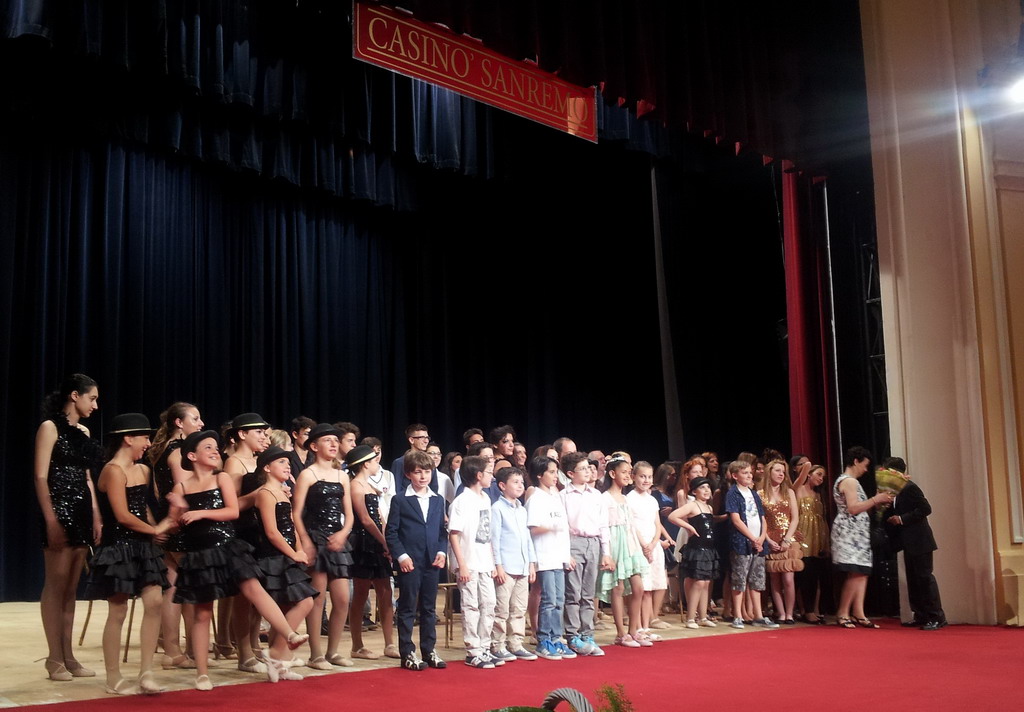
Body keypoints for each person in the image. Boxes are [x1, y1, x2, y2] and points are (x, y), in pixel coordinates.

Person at [170, 430, 309, 690]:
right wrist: (176, 508)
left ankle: (288, 634)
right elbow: (176, 522)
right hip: (201, 554)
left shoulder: (221, 477)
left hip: (228, 547)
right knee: (202, 613)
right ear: (192, 456)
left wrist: (200, 513)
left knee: (253, 589)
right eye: (208, 447)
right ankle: (202, 673)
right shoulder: (182, 487)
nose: (215, 451)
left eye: (216, 447)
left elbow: (232, 511)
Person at [86, 413, 171, 695]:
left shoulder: (144, 471)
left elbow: (143, 507)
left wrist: (155, 531)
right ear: (128, 438)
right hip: (118, 547)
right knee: (118, 610)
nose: (148, 443)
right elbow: (122, 516)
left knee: (155, 603)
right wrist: (154, 529)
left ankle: (146, 672)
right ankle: (113, 677)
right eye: (145, 437)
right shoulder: (112, 471)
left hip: (143, 546)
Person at [35, 373, 104, 682]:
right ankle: (54, 658)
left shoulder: (83, 431)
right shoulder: (49, 427)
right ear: (75, 396)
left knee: (72, 588)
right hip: (58, 510)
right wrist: (51, 519)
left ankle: (69, 655)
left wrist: (96, 514)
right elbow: (40, 476)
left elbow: (88, 478)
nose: (95, 405)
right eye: (92, 398)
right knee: (56, 584)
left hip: (81, 511)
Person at [292, 423, 355, 669]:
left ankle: (333, 651)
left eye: (336, 440)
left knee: (342, 599)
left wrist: (343, 533)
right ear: (314, 446)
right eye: (327, 440)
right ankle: (315, 654)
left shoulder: (342, 476)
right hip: (315, 537)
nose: (333, 444)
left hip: (337, 539)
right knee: (317, 599)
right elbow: (296, 513)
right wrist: (306, 541)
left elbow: (349, 514)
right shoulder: (307, 474)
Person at [252, 446, 317, 680]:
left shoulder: (282, 492)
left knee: (287, 608)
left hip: (287, 556)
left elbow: (291, 527)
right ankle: (275, 654)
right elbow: (272, 532)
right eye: (281, 462)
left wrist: (299, 549)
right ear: (267, 468)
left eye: (288, 462)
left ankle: (278, 663)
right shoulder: (265, 493)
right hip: (272, 557)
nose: (287, 466)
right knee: (306, 602)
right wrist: (292, 553)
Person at [148, 401, 204, 669]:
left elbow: (158, 492)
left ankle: (173, 650)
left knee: (173, 585)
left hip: (169, 521)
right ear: (179, 423)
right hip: (181, 523)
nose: (201, 423)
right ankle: (190, 650)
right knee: (190, 587)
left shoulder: (163, 449)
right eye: (195, 418)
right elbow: (185, 492)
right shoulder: (178, 450)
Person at [384, 449, 448, 671]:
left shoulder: (437, 500)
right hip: (410, 562)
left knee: (429, 608)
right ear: (408, 474)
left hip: (432, 562)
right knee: (408, 607)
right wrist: (401, 556)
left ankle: (429, 649)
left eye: (427, 472)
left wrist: (442, 552)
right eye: (418, 472)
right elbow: (392, 532)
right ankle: (407, 652)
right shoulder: (400, 499)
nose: (423, 476)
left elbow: (442, 532)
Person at [222, 412, 272, 672]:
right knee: (244, 597)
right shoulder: (233, 463)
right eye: (259, 432)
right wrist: (262, 493)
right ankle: (244, 653)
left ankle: (255, 645)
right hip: (243, 533)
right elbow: (233, 504)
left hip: (261, 531)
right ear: (242, 434)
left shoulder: (258, 460)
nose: (264, 436)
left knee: (259, 595)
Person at [882, 457, 946, 630]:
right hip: (908, 542)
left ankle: (936, 616)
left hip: (920, 540)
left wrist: (902, 519)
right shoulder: (894, 490)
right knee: (913, 580)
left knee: (924, 579)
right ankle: (921, 615)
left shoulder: (910, 487)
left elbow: (926, 509)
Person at [832, 446, 892, 628]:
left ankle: (859, 612)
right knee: (856, 572)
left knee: (862, 572)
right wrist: (875, 500)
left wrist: (876, 502)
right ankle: (843, 612)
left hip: (858, 534)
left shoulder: (851, 482)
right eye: (864, 465)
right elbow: (852, 508)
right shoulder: (849, 481)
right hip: (850, 534)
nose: (866, 470)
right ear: (856, 461)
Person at [347, 445, 398, 660]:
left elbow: (379, 517)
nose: (378, 464)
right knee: (360, 594)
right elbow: (365, 519)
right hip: (363, 543)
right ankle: (357, 645)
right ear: (365, 464)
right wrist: (383, 541)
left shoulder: (368, 484)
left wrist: (388, 540)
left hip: (377, 542)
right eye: (375, 460)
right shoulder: (355, 486)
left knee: (385, 592)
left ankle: (390, 643)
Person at [448, 455, 500, 669]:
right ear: (479, 475)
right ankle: (473, 650)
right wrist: (461, 564)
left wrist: (493, 562)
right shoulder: (462, 501)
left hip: (484, 561)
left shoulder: (485, 498)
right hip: (468, 562)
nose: (492, 477)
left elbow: (487, 534)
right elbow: (454, 534)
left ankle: (485, 647)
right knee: (471, 606)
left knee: (489, 604)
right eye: (489, 473)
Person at [560, 451, 611, 657]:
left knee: (588, 594)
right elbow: (562, 526)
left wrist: (606, 552)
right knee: (573, 592)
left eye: (589, 468)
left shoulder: (596, 495)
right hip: (574, 542)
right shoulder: (563, 495)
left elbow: (603, 524)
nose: (588, 471)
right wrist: (566, 552)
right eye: (582, 469)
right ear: (571, 473)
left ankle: (587, 633)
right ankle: (572, 635)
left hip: (594, 542)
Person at [597, 457, 650, 648]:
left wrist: (643, 546)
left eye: (629, 472)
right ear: (613, 474)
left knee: (638, 588)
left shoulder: (625, 498)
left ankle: (634, 630)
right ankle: (621, 633)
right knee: (618, 588)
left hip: (630, 544)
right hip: (615, 545)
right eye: (624, 472)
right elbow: (603, 526)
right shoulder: (604, 498)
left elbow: (632, 525)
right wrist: (607, 553)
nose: (628, 475)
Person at [489, 466, 538, 662]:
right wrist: (498, 566)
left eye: (521, 482)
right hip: (506, 567)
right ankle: (497, 645)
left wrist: (531, 563)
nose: (520, 486)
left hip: (522, 566)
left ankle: (516, 643)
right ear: (502, 486)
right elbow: (494, 540)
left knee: (519, 608)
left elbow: (527, 539)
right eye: (515, 482)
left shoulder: (522, 509)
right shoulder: (497, 509)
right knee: (501, 609)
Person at [725, 459, 778, 629]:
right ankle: (738, 616)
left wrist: (761, 537)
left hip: (758, 543)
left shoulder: (754, 494)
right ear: (735, 476)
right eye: (745, 473)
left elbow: (762, 518)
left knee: (757, 580)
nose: (749, 475)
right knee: (740, 579)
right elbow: (736, 520)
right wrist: (752, 538)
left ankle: (758, 615)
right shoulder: (733, 493)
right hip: (742, 542)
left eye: (750, 472)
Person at [526, 455, 570, 660]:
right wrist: (550, 527)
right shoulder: (536, 498)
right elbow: (532, 528)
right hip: (543, 555)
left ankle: (556, 637)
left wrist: (566, 555)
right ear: (539, 475)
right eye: (551, 472)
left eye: (556, 472)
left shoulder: (555, 496)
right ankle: (543, 640)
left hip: (558, 555)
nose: (555, 476)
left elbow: (564, 529)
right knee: (549, 599)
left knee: (559, 599)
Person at [627, 461, 674, 638]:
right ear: (633, 477)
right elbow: (632, 525)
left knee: (650, 589)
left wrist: (655, 543)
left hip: (653, 547)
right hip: (638, 546)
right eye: (642, 476)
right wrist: (644, 544)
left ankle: (646, 627)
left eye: (649, 477)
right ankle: (637, 627)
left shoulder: (652, 500)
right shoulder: (629, 498)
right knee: (641, 589)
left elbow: (657, 524)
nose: (646, 480)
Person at [669, 476, 720, 627]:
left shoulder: (709, 508)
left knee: (706, 582)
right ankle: (691, 617)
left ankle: (703, 617)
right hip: (697, 548)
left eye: (708, 487)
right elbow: (673, 516)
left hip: (708, 548)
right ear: (694, 491)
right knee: (698, 582)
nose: (706, 490)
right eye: (702, 488)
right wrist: (688, 527)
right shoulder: (692, 506)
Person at [760, 458, 801, 625]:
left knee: (788, 579)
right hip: (771, 540)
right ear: (769, 472)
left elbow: (795, 518)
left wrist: (787, 539)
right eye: (777, 470)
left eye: (783, 472)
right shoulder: (760, 494)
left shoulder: (789, 492)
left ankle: (790, 613)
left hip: (787, 540)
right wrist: (768, 540)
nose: (781, 474)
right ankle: (781, 613)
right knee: (775, 579)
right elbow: (761, 520)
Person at [793, 463, 830, 624]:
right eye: (819, 474)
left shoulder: (819, 494)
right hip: (802, 535)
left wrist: (826, 542)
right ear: (809, 474)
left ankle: (812, 610)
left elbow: (823, 519)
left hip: (818, 536)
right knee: (803, 573)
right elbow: (791, 513)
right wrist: (793, 532)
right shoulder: (797, 489)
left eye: (823, 477)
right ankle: (804, 610)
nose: (821, 479)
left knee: (815, 574)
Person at [391, 424, 439, 493]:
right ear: (411, 440)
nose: (426, 441)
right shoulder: (400, 462)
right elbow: (396, 489)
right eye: (422, 437)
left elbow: (434, 488)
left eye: (427, 438)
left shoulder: (429, 462)